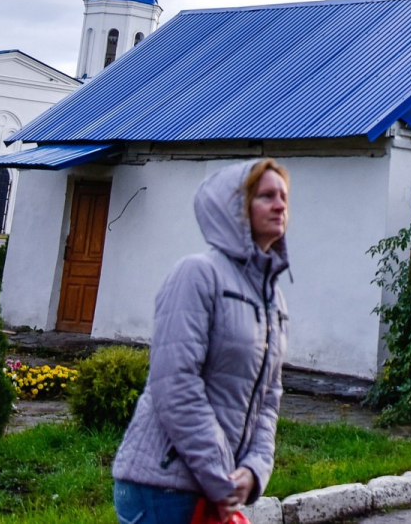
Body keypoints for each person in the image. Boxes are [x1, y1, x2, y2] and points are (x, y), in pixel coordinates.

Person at [113, 159, 290, 523]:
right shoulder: (197, 274)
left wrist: (254, 470)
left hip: (214, 486)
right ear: (236, 208)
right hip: (161, 489)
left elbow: (268, 398)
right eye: (266, 196)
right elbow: (174, 385)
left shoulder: (273, 300)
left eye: (284, 197)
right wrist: (222, 475)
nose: (280, 205)